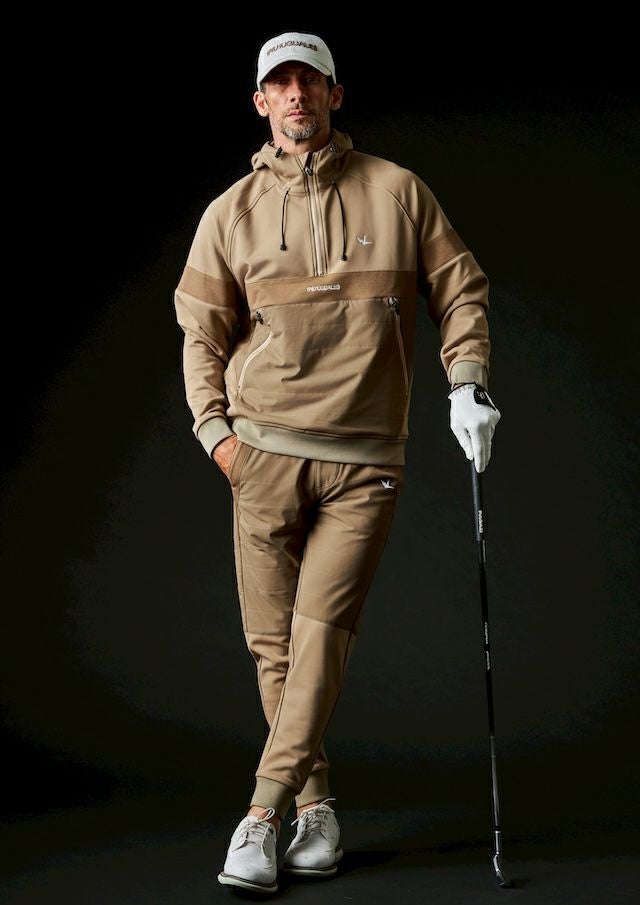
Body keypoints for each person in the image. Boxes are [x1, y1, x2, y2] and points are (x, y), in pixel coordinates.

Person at [173, 30, 501, 895]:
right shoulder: (230, 213)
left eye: (309, 81)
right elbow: (199, 333)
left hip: (364, 460)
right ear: (260, 102)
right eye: (279, 84)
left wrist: (467, 384)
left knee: (318, 638)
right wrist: (217, 436)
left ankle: (261, 813)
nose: (296, 95)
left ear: (334, 94)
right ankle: (316, 808)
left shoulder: (397, 191)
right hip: (261, 455)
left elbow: (461, 287)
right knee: (273, 649)